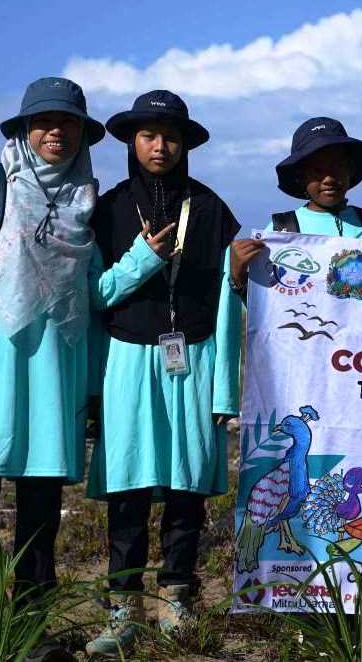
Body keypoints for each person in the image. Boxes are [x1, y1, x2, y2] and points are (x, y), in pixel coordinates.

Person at [0, 78, 170, 660]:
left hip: (56, 377)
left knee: (41, 516)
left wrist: (143, 260)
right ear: (24, 129)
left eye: (67, 123)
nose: (55, 132)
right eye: (43, 122)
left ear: (82, 134)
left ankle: (28, 631)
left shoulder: (84, 202)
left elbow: (93, 298)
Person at [85, 91, 242, 655]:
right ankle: (123, 609)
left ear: (185, 145)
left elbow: (227, 302)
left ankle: (178, 600)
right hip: (127, 357)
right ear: (131, 142)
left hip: (193, 358)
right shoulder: (109, 209)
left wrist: (225, 388)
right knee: (127, 488)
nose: (160, 146)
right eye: (148, 135)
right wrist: (142, 261)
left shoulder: (211, 209)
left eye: (171, 137)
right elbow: (94, 295)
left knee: (186, 486)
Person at [227, 118, 362, 288]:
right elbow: (266, 298)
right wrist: (238, 274)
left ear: (351, 170)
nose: (329, 179)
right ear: (301, 177)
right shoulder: (282, 230)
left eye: (338, 166)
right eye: (317, 170)